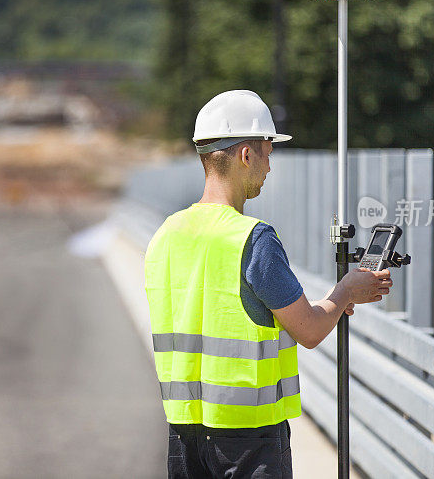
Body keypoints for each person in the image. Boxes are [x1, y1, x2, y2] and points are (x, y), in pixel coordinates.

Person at [144, 90, 392, 478]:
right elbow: (308, 330)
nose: (270, 168)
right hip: (249, 439)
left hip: (184, 434)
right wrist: (346, 291)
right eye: (268, 154)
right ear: (246, 155)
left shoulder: (166, 234)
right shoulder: (253, 240)